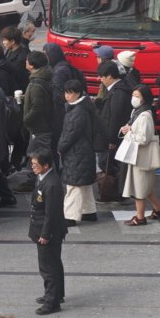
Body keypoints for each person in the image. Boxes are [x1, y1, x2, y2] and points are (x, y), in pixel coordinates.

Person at [119, 83, 160, 223]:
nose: (134, 98)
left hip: (142, 156)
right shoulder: (137, 112)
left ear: (144, 98)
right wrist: (127, 129)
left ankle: (140, 217)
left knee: (140, 188)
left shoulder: (145, 115)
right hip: (138, 156)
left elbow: (144, 139)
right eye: (133, 95)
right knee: (145, 186)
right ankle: (159, 208)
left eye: (137, 96)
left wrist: (130, 132)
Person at [27, 146, 66, 315]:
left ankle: (52, 302)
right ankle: (56, 294)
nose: (32, 167)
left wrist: (45, 234)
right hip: (42, 227)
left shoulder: (52, 184)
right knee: (54, 263)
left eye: (35, 164)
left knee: (48, 267)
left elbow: (52, 213)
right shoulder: (43, 177)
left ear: (46, 165)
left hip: (48, 231)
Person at [57, 80, 98, 224]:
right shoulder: (83, 107)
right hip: (83, 151)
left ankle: (70, 216)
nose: (67, 96)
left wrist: (60, 147)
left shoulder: (77, 111)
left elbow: (70, 133)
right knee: (83, 184)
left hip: (76, 152)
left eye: (70, 93)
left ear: (78, 93)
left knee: (73, 185)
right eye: (66, 92)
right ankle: (88, 211)